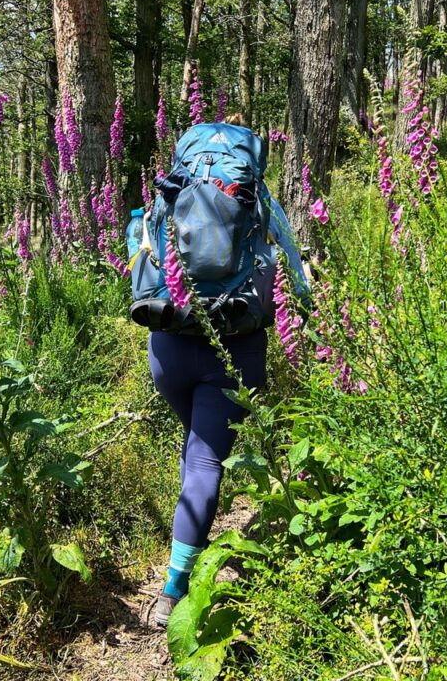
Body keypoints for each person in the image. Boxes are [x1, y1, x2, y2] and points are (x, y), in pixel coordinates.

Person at [149, 113, 308, 627]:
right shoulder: (259, 200)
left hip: (169, 346)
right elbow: (296, 276)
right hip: (237, 347)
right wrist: (304, 306)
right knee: (204, 461)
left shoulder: (169, 192)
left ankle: (187, 542)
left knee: (196, 452)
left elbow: (141, 255)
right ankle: (175, 587)